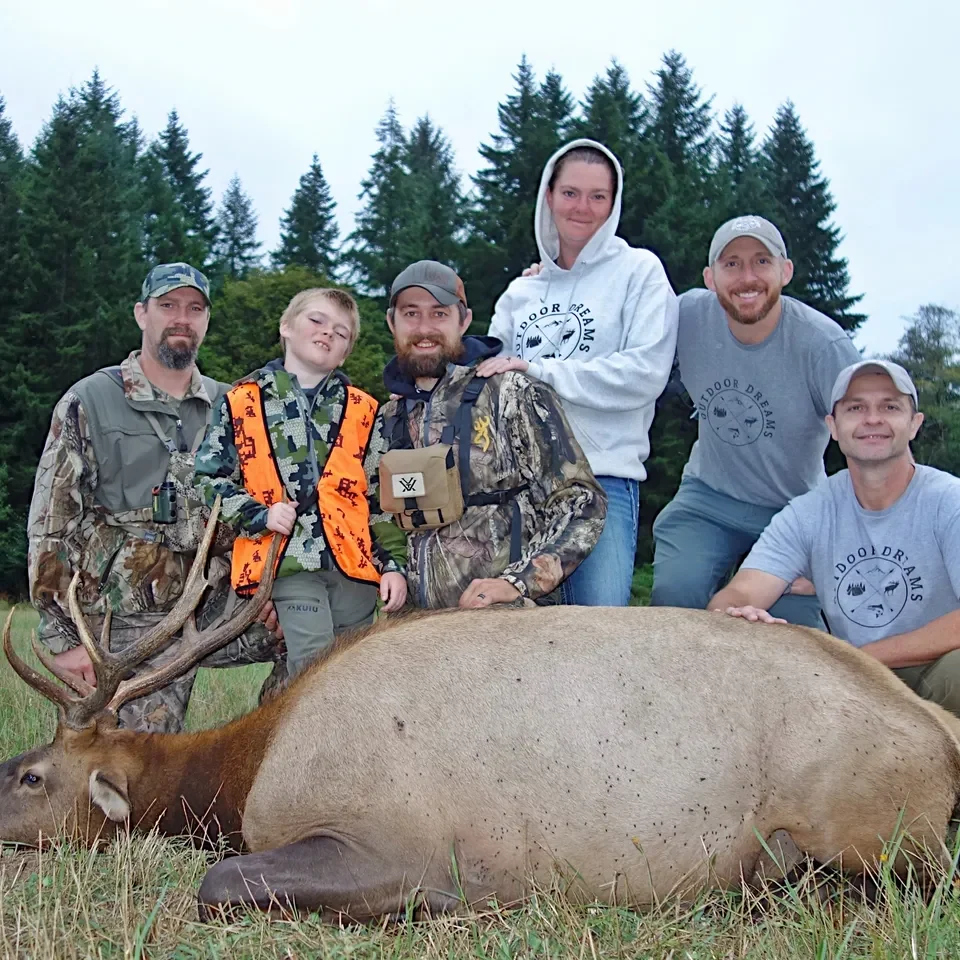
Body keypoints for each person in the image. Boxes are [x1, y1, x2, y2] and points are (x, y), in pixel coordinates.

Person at [27, 263, 281, 733]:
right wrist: (64, 637)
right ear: (142, 314)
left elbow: (263, 510)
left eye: (194, 308)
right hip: (125, 621)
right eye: (168, 306)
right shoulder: (90, 400)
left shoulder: (236, 406)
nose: (181, 318)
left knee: (314, 634)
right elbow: (51, 524)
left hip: (216, 606)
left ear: (206, 320)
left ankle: (270, 775)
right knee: (129, 771)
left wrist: (277, 594)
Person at [478, 139, 678, 607]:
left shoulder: (639, 271)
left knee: (598, 644)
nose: (582, 208)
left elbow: (646, 372)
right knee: (513, 650)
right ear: (548, 196)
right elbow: (492, 385)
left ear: (614, 202)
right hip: (520, 495)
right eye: (570, 193)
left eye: (597, 196)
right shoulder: (519, 294)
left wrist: (537, 371)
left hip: (601, 481)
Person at [708, 361, 960, 717]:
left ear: (914, 424)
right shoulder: (809, 512)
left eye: (890, 406)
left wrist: (860, 657)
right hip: (852, 682)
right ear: (833, 427)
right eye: (856, 408)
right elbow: (741, 592)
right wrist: (734, 614)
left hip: (932, 667)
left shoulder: (950, 501)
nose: (872, 419)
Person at [650, 215, 861, 626]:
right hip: (708, 497)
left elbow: (870, 446)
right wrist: (551, 277)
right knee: (675, 597)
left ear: (785, 271)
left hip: (794, 507)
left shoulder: (824, 346)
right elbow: (618, 320)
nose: (747, 277)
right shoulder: (686, 315)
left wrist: (839, 541)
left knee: (794, 629)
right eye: (731, 264)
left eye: (761, 261)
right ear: (710, 278)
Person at [194, 288, 407, 678]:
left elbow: (378, 500)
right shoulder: (241, 402)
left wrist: (393, 565)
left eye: (341, 333)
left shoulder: (364, 410)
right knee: (314, 672)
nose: (328, 333)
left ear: (345, 353)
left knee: (356, 673)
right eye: (317, 321)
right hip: (289, 563)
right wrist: (259, 515)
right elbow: (209, 480)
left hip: (354, 573)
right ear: (286, 327)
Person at [374, 260, 606, 611]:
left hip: (504, 629)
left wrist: (517, 582)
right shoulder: (387, 418)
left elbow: (583, 505)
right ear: (392, 322)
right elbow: (371, 512)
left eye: (439, 314)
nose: (424, 328)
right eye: (411, 314)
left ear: (464, 321)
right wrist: (390, 567)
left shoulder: (512, 394)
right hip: (417, 635)